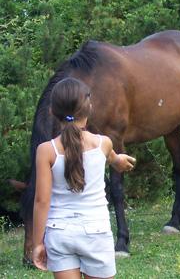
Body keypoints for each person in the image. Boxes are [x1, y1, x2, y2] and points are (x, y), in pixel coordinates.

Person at [32, 77, 136, 279]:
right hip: (96, 232)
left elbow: (41, 201)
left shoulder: (46, 151)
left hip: (59, 232)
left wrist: (37, 243)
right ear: (89, 108)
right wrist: (120, 161)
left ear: (52, 111)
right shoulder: (103, 144)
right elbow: (114, 159)